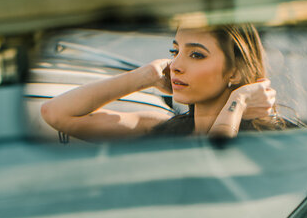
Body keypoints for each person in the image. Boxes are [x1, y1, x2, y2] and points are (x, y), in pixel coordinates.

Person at [41, 23, 282, 141]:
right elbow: (55, 113)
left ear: (235, 72)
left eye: (196, 55)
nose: (175, 65)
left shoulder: (274, 140)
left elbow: (213, 164)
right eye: (174, 51)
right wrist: (145, 76)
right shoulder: (161, 128)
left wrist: (238, 102)